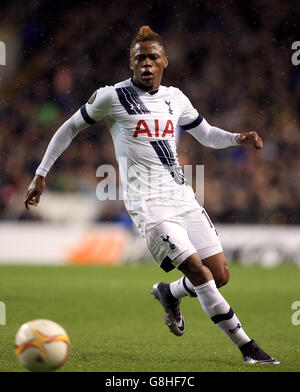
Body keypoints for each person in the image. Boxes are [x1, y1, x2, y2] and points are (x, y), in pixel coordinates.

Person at [24, 26, 279, 365]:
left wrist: (238, 138)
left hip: (182, 197)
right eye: (139, 58)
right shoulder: (111, 97)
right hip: (150, 206)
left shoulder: (177, 98)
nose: (146, 63)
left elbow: (205, 135)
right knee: (199, 274)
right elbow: (69, 127)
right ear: (131, 64)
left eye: (153, 57)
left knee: (220, 275)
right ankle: (249, 349)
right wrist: (41, 174)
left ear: (164, 62)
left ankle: (168, 292)